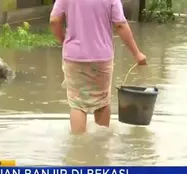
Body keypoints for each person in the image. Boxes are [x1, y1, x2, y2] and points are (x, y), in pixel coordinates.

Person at [50, 0, 147, 134]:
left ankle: (78, 147)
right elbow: (120, 25)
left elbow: (54, 21)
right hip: (101, 57)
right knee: (102, 102)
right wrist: (137, 53)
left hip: (74, 56)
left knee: (77, 104)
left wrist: (63, 40)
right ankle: (101, 145)